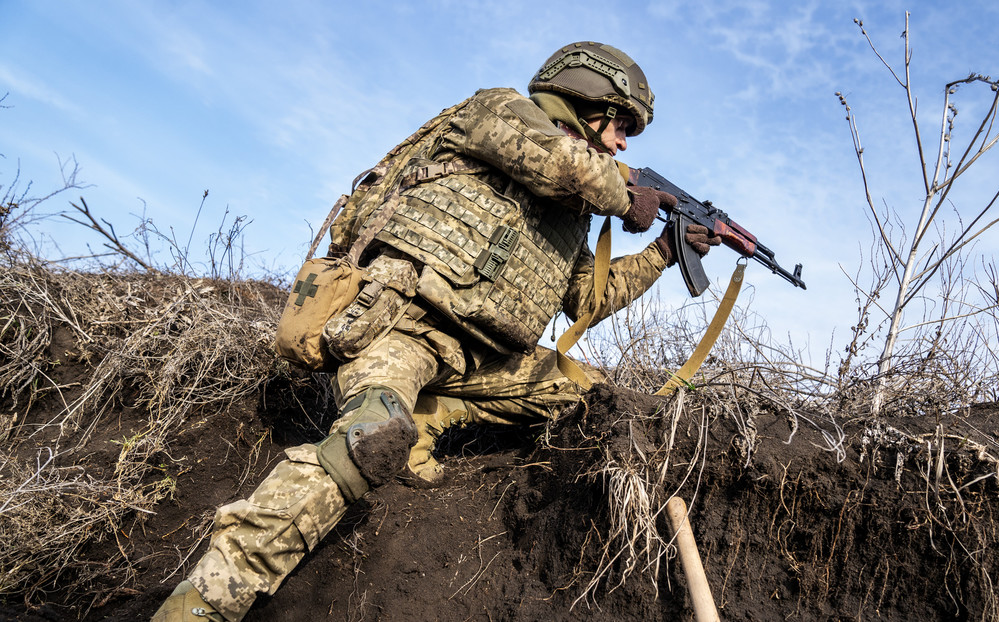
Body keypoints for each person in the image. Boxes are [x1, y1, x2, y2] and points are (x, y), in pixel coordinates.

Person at [152, 41, 720, 622]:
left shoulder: (571, 214)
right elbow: (560, 164)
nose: (622, 142)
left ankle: (433, 414)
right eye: (620, 123)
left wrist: (664, 253)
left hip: (481, 360)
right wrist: (628, 196)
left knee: (597, 399)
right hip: (403, 332)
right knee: (366, 443)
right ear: (585, 94)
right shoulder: (499, 111)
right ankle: (199, 605)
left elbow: (584, 299)